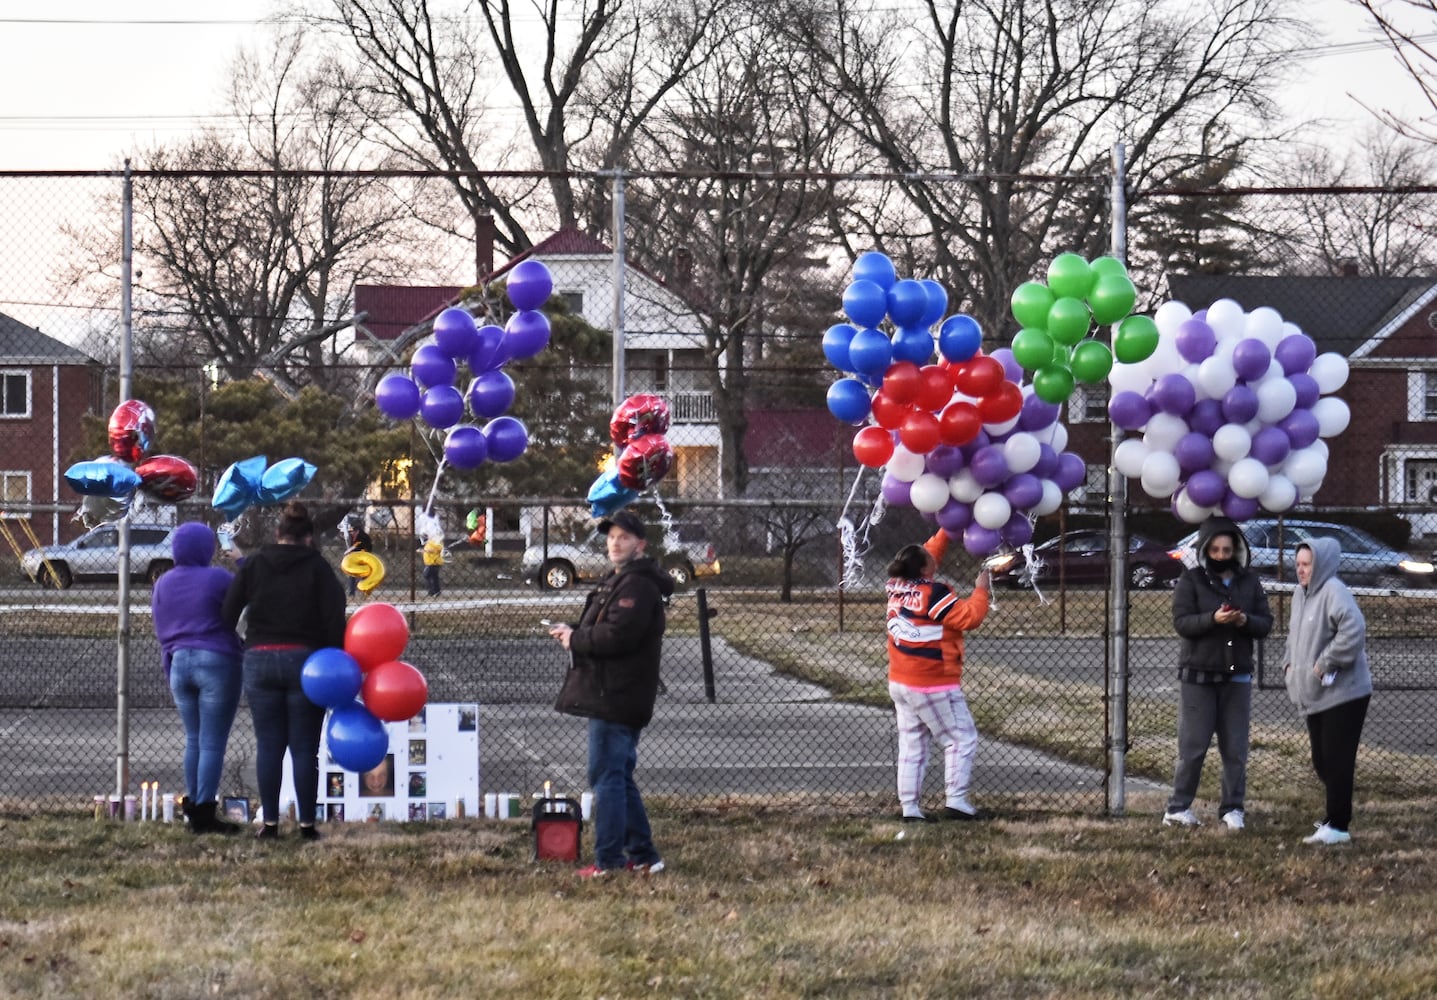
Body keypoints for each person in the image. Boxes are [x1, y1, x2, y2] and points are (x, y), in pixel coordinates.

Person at [549, 510, 674, 877]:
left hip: (617, 695)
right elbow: (605, 626)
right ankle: (644, 856)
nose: (614, 542)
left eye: (623, 537)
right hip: (611, 692)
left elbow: (619, 636)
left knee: (606, 775)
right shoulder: (619, 580)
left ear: (641, 545)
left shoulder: (638, 585)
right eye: (611, 536)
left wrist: (577, 638)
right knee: (617, 775)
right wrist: (573, 630)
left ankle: (610, 862)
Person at [222, 500, 346, 841]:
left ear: (277, 534)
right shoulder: (318, 568)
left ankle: (271, 824)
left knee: (270, 745)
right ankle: (307, 825)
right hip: (307, 663)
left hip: (260, 658)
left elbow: (228, 612)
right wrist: (332, 656)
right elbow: (335, 617)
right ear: (309, 539)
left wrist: (244, 643)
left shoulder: (256, 564)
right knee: (305, 748)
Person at [1164, 516, 1273, 831]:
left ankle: (1233, 807)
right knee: (1193, 746)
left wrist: (1243, 622)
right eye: (1215, 549)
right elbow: (1182, 623)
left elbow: (1264, 623)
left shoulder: (1249, 582)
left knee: (1235, 748)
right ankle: (1178, 807)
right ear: (1205, 550)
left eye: (1227, 550)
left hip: (1237, 675)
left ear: (1237, 551)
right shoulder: (1192, 580)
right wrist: (1213, 619)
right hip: (1199, 674)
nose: (1222, 556)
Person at [884, 529, 992, 822]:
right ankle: (956, 800)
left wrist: (948, 528)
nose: (935, 556)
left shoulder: (896, 586)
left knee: (912, 744)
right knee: (961, 738)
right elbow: (970, 618)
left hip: (900, 680)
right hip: (932, 682)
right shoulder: (935, 594)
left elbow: (927, 552)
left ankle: (910, 808)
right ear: (924, 568)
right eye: (930, 557)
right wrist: (982, 589)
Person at [151, 522, 244, 835]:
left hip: (178, 663)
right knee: (213, 742)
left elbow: (161, 629)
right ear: (207, 548)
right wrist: (241, 559)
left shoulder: (163, 582)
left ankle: (194, 807)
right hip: (216, 660)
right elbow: (245, 598)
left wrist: (172, 661)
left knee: (193, 739)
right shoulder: (218, 578)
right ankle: (205, 812)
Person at [1283, 539, 1373, 846]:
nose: (1301, 570)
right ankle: (1333, 814)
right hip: (1315, 695)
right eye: (1298, 564)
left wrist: (1324, 664)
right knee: (1322, 760)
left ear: (1320, 564)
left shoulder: (1334, 590)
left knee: (1337, 758)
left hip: (1345, 693)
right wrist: (1289, 667)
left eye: (1307, 564)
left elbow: (1354, 629)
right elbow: (1293, 637)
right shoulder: (1299, 594)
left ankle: (1338, 825)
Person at [343, 520, 373, 598]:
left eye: (352, 531)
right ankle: (351, 592)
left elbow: (358, 547)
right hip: (356, 559)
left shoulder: (363, 537)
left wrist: (349, 551)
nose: (351, 533)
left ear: (357, 531)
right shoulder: (353, 538)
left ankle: (364, 592)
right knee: (352, 575)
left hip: (364, 559)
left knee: (364, 576)